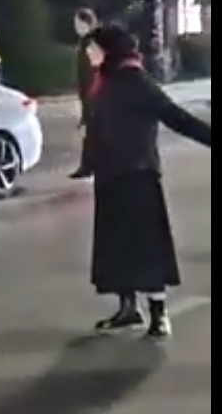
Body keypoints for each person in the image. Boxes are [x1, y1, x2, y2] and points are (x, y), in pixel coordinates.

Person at [83, 25, 210, 338]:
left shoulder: (137, 82)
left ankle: (158, 312)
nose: (88, 53)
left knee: (147, 246)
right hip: (110, 176)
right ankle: (128, 308)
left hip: (138, 175)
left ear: (109, 50)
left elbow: (176, 117)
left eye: (93, 47)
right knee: (115, 247)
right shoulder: (105, 82)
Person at [70, 8, 99, 179]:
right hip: (88, 93)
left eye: (78, 23)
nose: (76, 27)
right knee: (93, 132)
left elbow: (95, 69)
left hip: (94, 93)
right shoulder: (84, 43)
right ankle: (88, 166)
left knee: (95, 133)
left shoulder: (92, 43)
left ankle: (88, 166)